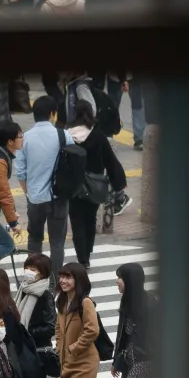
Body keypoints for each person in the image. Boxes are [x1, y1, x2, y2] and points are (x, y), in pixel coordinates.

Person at [64, 101, 125, 268]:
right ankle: (88, 253)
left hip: (74, 187)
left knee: (76, 222)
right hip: (94, 187)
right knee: (90, 219)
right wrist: (119, 183)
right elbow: (110, 161)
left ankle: (82, 259)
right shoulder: (98, 136)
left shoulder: (67, 136)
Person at [17, 96, 68, 262]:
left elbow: (20, 172)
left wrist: (28, 193)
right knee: (57, 242)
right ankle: (55, 281)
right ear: (52, 114)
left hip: (35, 198)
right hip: (58, 197)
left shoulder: (25, 138)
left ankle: (35, 276)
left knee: (34, 239)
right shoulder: (64, 136)